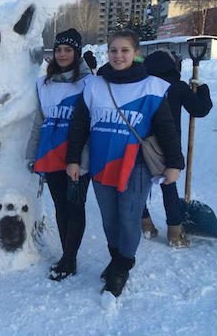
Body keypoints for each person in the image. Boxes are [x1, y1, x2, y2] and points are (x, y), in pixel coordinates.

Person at [66, 29, 184, 299]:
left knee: (129, 219)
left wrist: (174, 163)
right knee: (109, 220)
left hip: (137, 165)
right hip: (101, 163)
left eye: (125, 50)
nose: (118, 56)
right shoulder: (94, 86)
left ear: (136, 54)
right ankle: (117, 258)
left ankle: (121, 268)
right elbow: (80, 126)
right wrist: (73, 159)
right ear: (107, 53)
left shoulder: (151, 86)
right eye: (113, 50)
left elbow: (166, 128)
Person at [26, 28, 93, 281]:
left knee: (76, 206)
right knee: (60, 207)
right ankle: (67, 254)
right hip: (51, 153)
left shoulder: (89, 83)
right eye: (59, 50)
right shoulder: (44, 83)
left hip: (78, 156)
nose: (62, 54)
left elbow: (91, 124)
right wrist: (32, 154)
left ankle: (69, 259)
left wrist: (84, 159)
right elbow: (38, 121)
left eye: (68, 50)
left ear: (77, 52)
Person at [140, 49, 213, 247]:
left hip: (142, 144)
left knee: (139, 184)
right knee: (168, 186)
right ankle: (174, 233)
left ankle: (145, 224)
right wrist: (202, 88)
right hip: (168, 146)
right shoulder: (178, 87)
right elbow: (200, 109)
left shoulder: (142, 84)